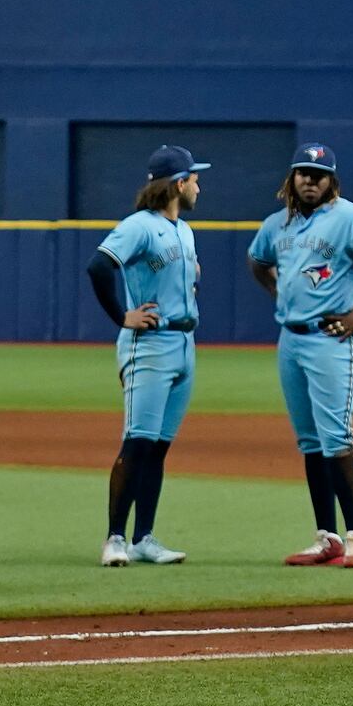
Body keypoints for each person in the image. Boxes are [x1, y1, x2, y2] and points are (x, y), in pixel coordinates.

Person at [247, 144, 353, 570]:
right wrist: (278, 291)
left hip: (333, 342)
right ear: (291, 179)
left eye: (319, 173)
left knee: (336, 439)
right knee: (311, 443)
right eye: (303, 173)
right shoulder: (279, 224)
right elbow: (258, 261)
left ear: (333, 180)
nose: (310, 180)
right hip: (291, 340)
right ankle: (327, 538)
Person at [92, 147, 212, 567]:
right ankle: (115, 537)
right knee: (137, 441)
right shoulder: (140, 226)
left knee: (158, 447)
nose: (198, 185)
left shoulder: (182, 229)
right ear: (178, 184)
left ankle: (143, 537)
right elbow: (99, 266)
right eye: (194, 179)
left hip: (183, 344)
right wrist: (122, 317)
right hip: (150, 344)